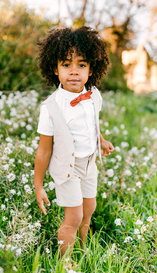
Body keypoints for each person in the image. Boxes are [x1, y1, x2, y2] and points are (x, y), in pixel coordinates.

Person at [34, 26, 114, 257]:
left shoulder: (93, 95)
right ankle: (64, 262)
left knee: (89, 210)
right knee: (74, 216)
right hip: (66, 168)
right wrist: (39, 186)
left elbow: (91, 124)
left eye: (81, 65)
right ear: (55, 68)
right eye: (66, 64)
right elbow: (43, 151)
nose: (74, 72)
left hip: (89, 164)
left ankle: (81, 249)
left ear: (91, 68)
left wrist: (101, 140)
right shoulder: (51, 107)